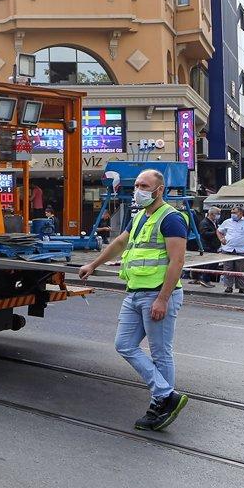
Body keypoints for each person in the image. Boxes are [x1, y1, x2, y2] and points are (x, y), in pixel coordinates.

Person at [78, 169, 189, 431]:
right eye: (137, 184)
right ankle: (165, 395)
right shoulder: (139, 216)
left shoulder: (171, 218)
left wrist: (162, 299)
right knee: (124, 344)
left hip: (158, 293)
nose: (138, 189)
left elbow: (177, 262)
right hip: (135, 291)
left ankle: (158, 406)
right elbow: (119, 243)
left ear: (158, 190)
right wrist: (93, 264)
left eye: (144, 185)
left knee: (161, 353)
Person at [216, 206, 244, 294]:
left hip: (241, 250)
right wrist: (221, 239)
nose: (233, 214)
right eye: (232, 213)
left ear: (240, 213)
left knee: (240, 269)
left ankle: (241, 287)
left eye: (235, 213)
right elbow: (218, 231)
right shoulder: (227, 222)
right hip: (228, 249)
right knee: (228, 269)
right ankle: (228, 287)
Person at [191, 207, 221, 286]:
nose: (219, 216)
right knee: (209, 265)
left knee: (213, 265)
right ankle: (205, 280)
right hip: (207, 247)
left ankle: (205, 279)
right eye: (217, 214)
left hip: (213, 246)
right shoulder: (204, 223)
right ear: (211, 214)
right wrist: (216, 232)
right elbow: (204, 234)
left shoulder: (214, 222)